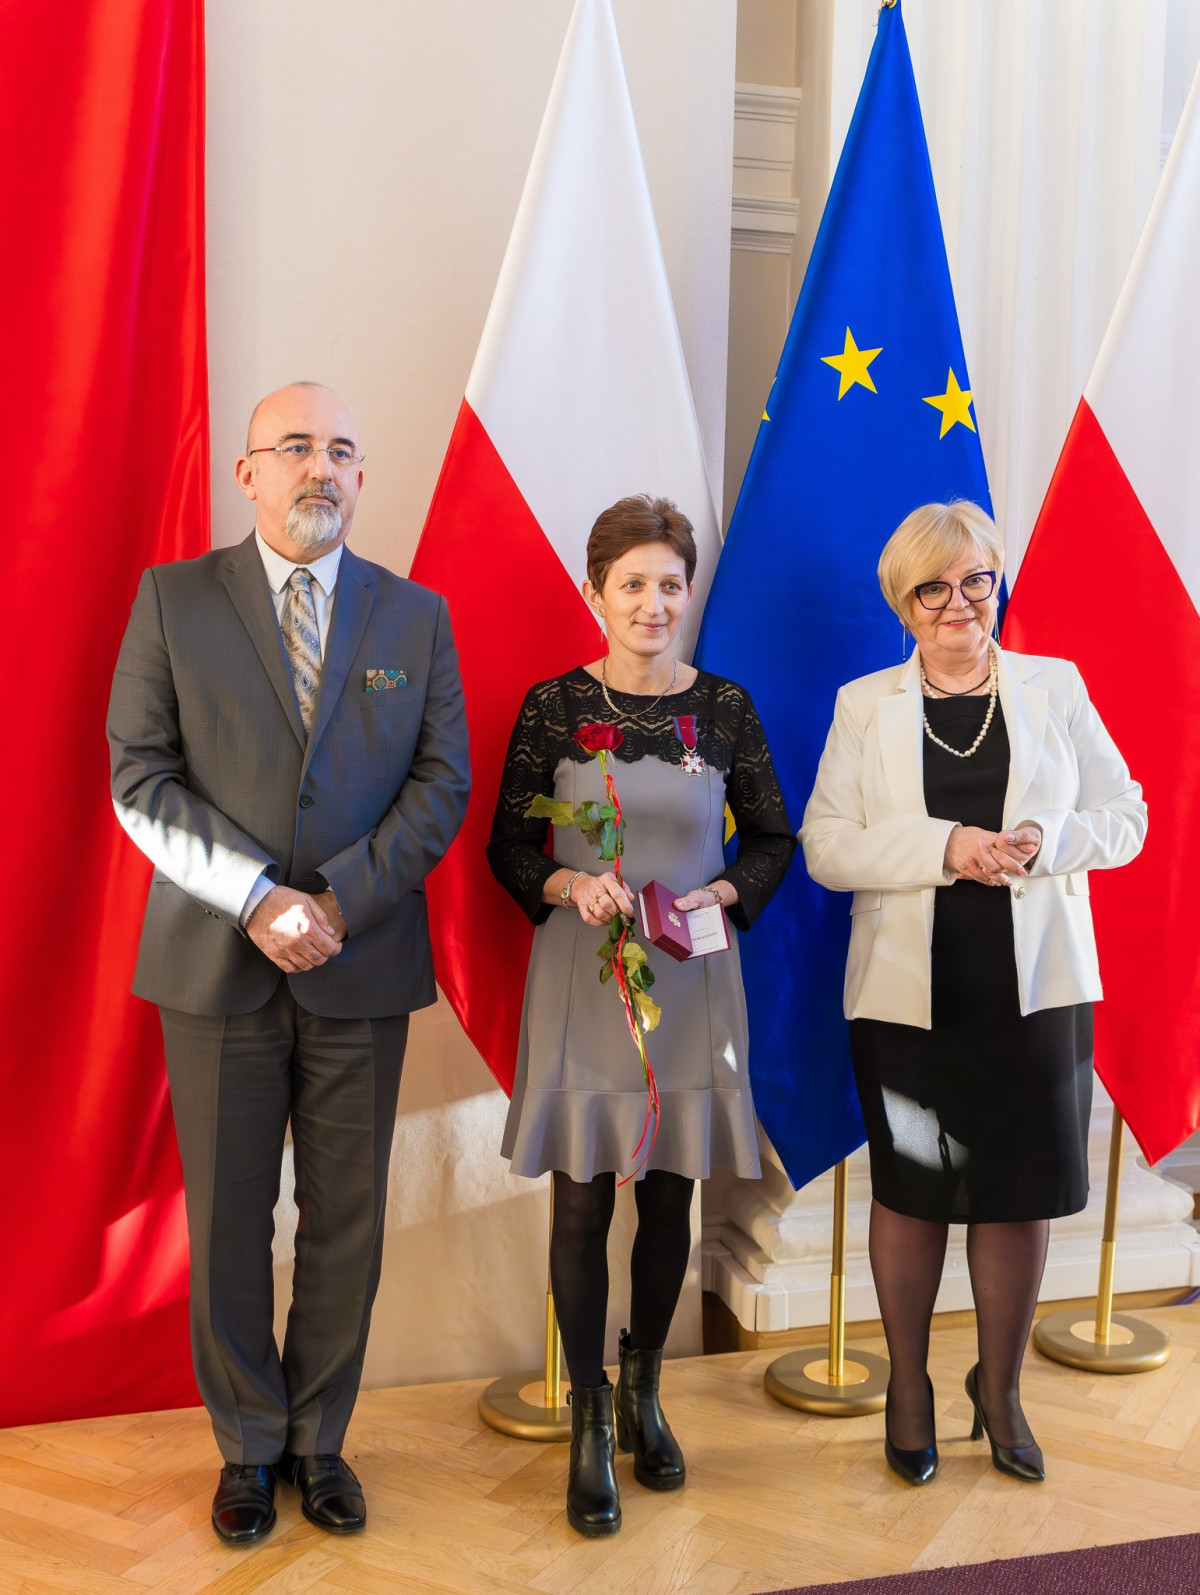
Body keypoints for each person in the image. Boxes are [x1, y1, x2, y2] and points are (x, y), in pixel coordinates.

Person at [107, 382, 470, 1544]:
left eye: (342, 450)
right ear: (248, 471)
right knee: (227, 1220)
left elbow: (442, 783)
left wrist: (338, 901)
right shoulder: (173, 600)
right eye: (297, 446)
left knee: (345, 1219)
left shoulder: (416, 616)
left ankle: (320, 1440)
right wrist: (260, 896)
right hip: (217, 964)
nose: (321, 466)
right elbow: (140, 775)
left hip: (362, 961)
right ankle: (248, 1447)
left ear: (361, 477)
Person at [800, 500, 1146, 1487]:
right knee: (911, 1191)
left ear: (997, 580)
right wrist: (945, 847)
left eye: (976, 580)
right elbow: (826, 845)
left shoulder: (1054, 685)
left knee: (1018, 1192)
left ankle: (1000, 1391)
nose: (958, 603)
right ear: (902, 604)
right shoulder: (864, 704)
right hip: (908, 998)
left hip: (1036, 993)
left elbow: (1127, 816)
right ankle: (908, 1393)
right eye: (933, 589)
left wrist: (1048, 839)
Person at [488, 494, 794, 1537]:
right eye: (633, 584)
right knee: (581, 1207)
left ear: (688, 591)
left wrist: (726, 893)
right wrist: (569, 884)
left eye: (671, 583)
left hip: (694, 978)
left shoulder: (728, 708)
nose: (653, 602)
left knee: (671, 1205)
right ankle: (588, 1415)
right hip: (584, 981)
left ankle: (645, 1390)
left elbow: (773, 839)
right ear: (596, 593)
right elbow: (507, 845)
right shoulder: (552, 705)